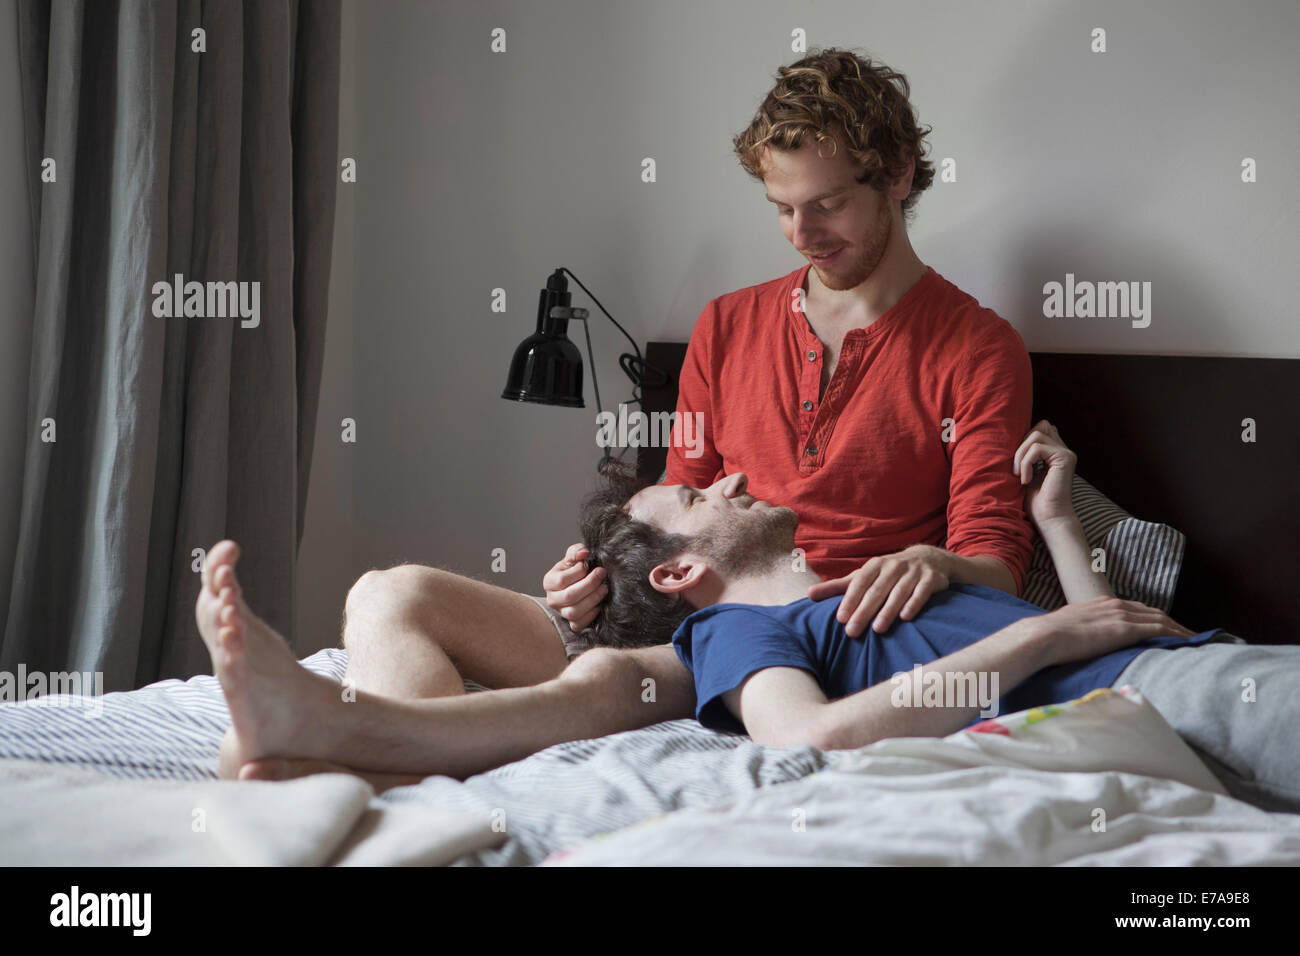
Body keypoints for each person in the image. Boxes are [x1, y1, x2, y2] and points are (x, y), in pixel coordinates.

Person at [305, 49, 1036, 780]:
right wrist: (601, 570)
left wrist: (934, 564)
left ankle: (383, 773)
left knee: (600, 684)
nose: (803, 233)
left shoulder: (977, 348)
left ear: (899, 173)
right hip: (671, 614)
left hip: (805, 638)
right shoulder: (725, 326)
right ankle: (400, 786)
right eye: (783, 208)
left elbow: (996, 562)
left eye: (829, 204)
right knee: (390, 592)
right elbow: (679, 502)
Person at [194, 423, 1300, 814]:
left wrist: (1055, 520)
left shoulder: (876, 582)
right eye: (694, 493)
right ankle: (340, 731)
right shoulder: (734, 634)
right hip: (1145, 695)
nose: (718, 476)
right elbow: (810, 733)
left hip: (1183, 671)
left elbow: (1104, 619)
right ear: (677, 575)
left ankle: (347, 746)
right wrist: (1045, 636)